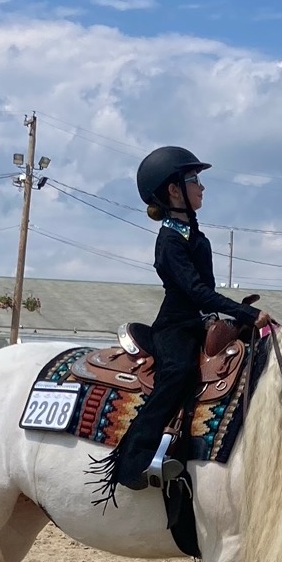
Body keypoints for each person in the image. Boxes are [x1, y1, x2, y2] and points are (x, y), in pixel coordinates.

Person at [95, 146, 268, 497]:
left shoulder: (194, 234)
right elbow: (195, 291)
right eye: (195, 180)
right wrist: (246, 313)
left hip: (199, 322)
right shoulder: (170, 240)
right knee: (179, 374)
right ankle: (132, 461)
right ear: (174, 190)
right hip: (176, 325)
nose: (202, 187)